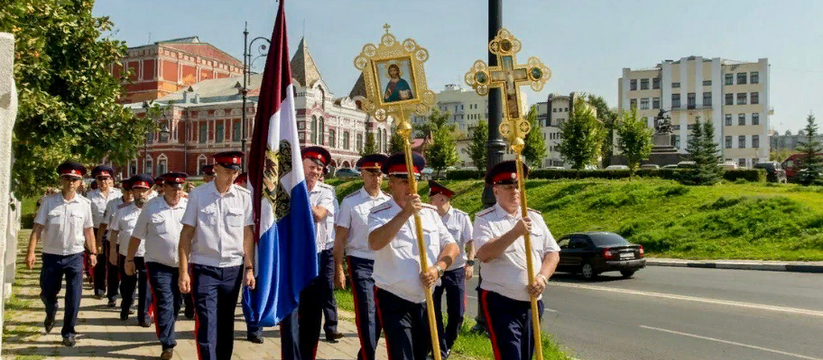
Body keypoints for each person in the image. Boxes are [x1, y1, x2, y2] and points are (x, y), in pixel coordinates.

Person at [368, 152, 459, 360]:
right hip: (394, 297)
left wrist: (438, 269)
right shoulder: (379, 213)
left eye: (415, 181)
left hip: (427, 298)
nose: (411, 187)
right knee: (401, 354)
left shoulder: (429, 212)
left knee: (422, 353)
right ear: (391, 184)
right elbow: (375, 242)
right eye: (404, 181)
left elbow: (452, 247)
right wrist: (405, 213)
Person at [473, 161, 561, 360]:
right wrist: (515, 232)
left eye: (517, 187)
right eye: (508, 187)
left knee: (527, 355)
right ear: (496, 190)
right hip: (501, 301)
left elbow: (552, 252)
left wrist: (542, 278)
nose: (515, 191)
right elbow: (484, 254)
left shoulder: (535, 217)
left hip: (532, 302)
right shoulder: (485, 219)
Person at [178, 151, 255, 360]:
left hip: (232, 268)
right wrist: (183, 272)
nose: (232, 176)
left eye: (235, 172)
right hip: (204, 267)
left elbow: (247, 234)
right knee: (206, 321)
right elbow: (186, 235)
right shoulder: (198, 195)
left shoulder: (244, 197)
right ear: (216, 169)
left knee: (225, 322)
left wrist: (249, 268)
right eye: (228, 171)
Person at [25, 161, 97, 346]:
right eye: (67, 178)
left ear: (80, 182)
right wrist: (30, 252)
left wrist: (93, 253)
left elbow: (88, 230)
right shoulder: (49, 203)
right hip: (51, 255)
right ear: (61, 180)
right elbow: (37, 228)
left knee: (74, 295)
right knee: (48, 292)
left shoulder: (84, 204)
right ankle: (51, 309)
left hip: (75, 255)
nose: (70, 182)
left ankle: (68, 332)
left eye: (74, 179)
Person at [279, 146, 336, 359]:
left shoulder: (327, 192)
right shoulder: (286, 190)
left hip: (319, 257)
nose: (316, 172)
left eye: (319, 169)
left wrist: (300, 197)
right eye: (311, 167)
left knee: (313, 313)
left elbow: (319, 214)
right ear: (300, 166)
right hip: (293, 257)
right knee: (290, 312)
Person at [126, 172, 189, 360]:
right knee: (164, 301)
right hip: (157, 264)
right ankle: (168, 344)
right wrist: (129, 259)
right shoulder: (151, 207)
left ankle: (167, 326)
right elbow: (136, 235)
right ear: (163, 188)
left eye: (180, 188)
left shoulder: (189, 206)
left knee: (177, 303)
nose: (177, 192)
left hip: (183, 265)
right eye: (173, 188)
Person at [334, 153, 390, 360]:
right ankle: (369, 356)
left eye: (380, 174)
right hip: (360, 261)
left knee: (380, 314)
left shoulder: (389, 203)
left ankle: (365, 353)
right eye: (372, 174)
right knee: (367, 312)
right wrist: (338, 268)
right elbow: (340, 238)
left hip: (384, 262)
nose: (376, 178)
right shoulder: (351, 202)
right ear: (363, 175)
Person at [429, 180, 474, 359]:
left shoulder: (461, 217)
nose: (429, 200)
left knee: (457, 313)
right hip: (434, 270)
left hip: (455, 270)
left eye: (432, 197)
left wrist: (470, 263)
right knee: (434, 312)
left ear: (442, 198)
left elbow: (471, 242)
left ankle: (447, 343)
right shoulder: (429, 216)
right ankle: (438, 349)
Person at [110, 174, 154, 327]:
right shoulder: (122, 210)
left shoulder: (154, 210)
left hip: (147, 255)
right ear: (132, 191)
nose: (140, 193)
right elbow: (114, 231)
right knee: (127, 285)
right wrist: (112, 252)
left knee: (145, 286)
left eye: (144, 190)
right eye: (137, 190)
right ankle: (126, 306)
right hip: (127, 253)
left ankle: (144, 316)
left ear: (149, 191)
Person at [88, 165, 122, 299]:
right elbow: (89, 217)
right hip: (98, 231)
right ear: (96, 180)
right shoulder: (91, 196)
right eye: (100, 179)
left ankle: (113, 292)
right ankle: (100, 289)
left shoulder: (118, 194)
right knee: (100, 261)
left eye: (105, 179)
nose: (103, 182)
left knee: (114, 262)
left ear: (110, 179)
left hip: (115, 231)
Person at [100, 179, 134, 307]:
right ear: (122, 191)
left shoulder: (140, 205)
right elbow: (104, 223)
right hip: (114, 242)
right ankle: (112, 296)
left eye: (131, 191)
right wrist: (98, 242)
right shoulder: (113, 204)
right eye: (126, 191)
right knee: (113, 269)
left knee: (128, 272)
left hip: (129, 243)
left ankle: (129, 301)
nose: (129, 194)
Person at [319, 168, 343, 342]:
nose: (320, 178)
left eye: (322, 175)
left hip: (327, 249)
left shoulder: (330, 198)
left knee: (328, 289)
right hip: (310, 249)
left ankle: (331, 327)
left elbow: (336, 225)